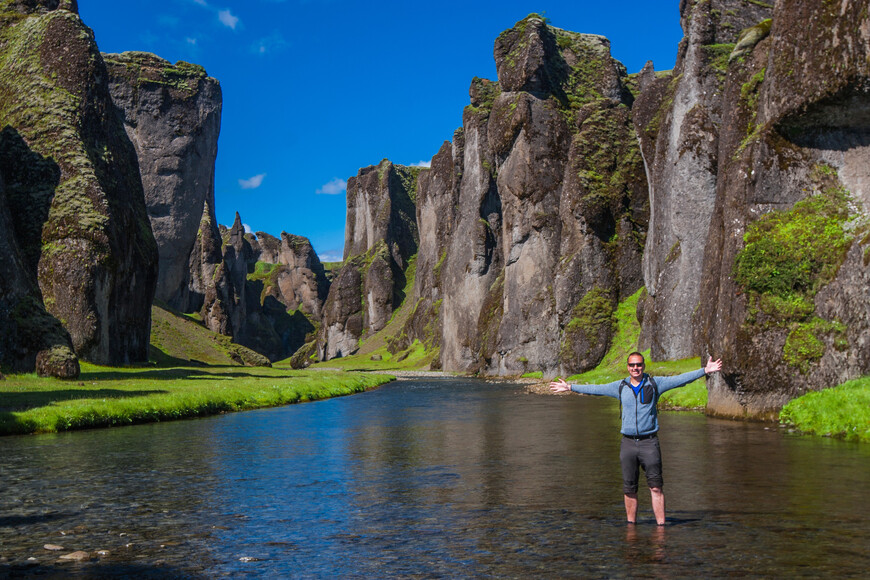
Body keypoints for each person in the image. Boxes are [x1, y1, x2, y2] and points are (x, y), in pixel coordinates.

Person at [549, 352, 723, 525]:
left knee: (656, 486)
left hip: (650, 443)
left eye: (638, 364)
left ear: (643, 366)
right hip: (628, 444)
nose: (635, 368)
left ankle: (661, 526)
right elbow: (597, 389)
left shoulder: (656, 384)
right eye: (632, 365)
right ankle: (631, 526)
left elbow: (680, 379)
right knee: (629, 489)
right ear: (627, 367)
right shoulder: (620, 386)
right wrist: (570, 387)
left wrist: (705, 370)